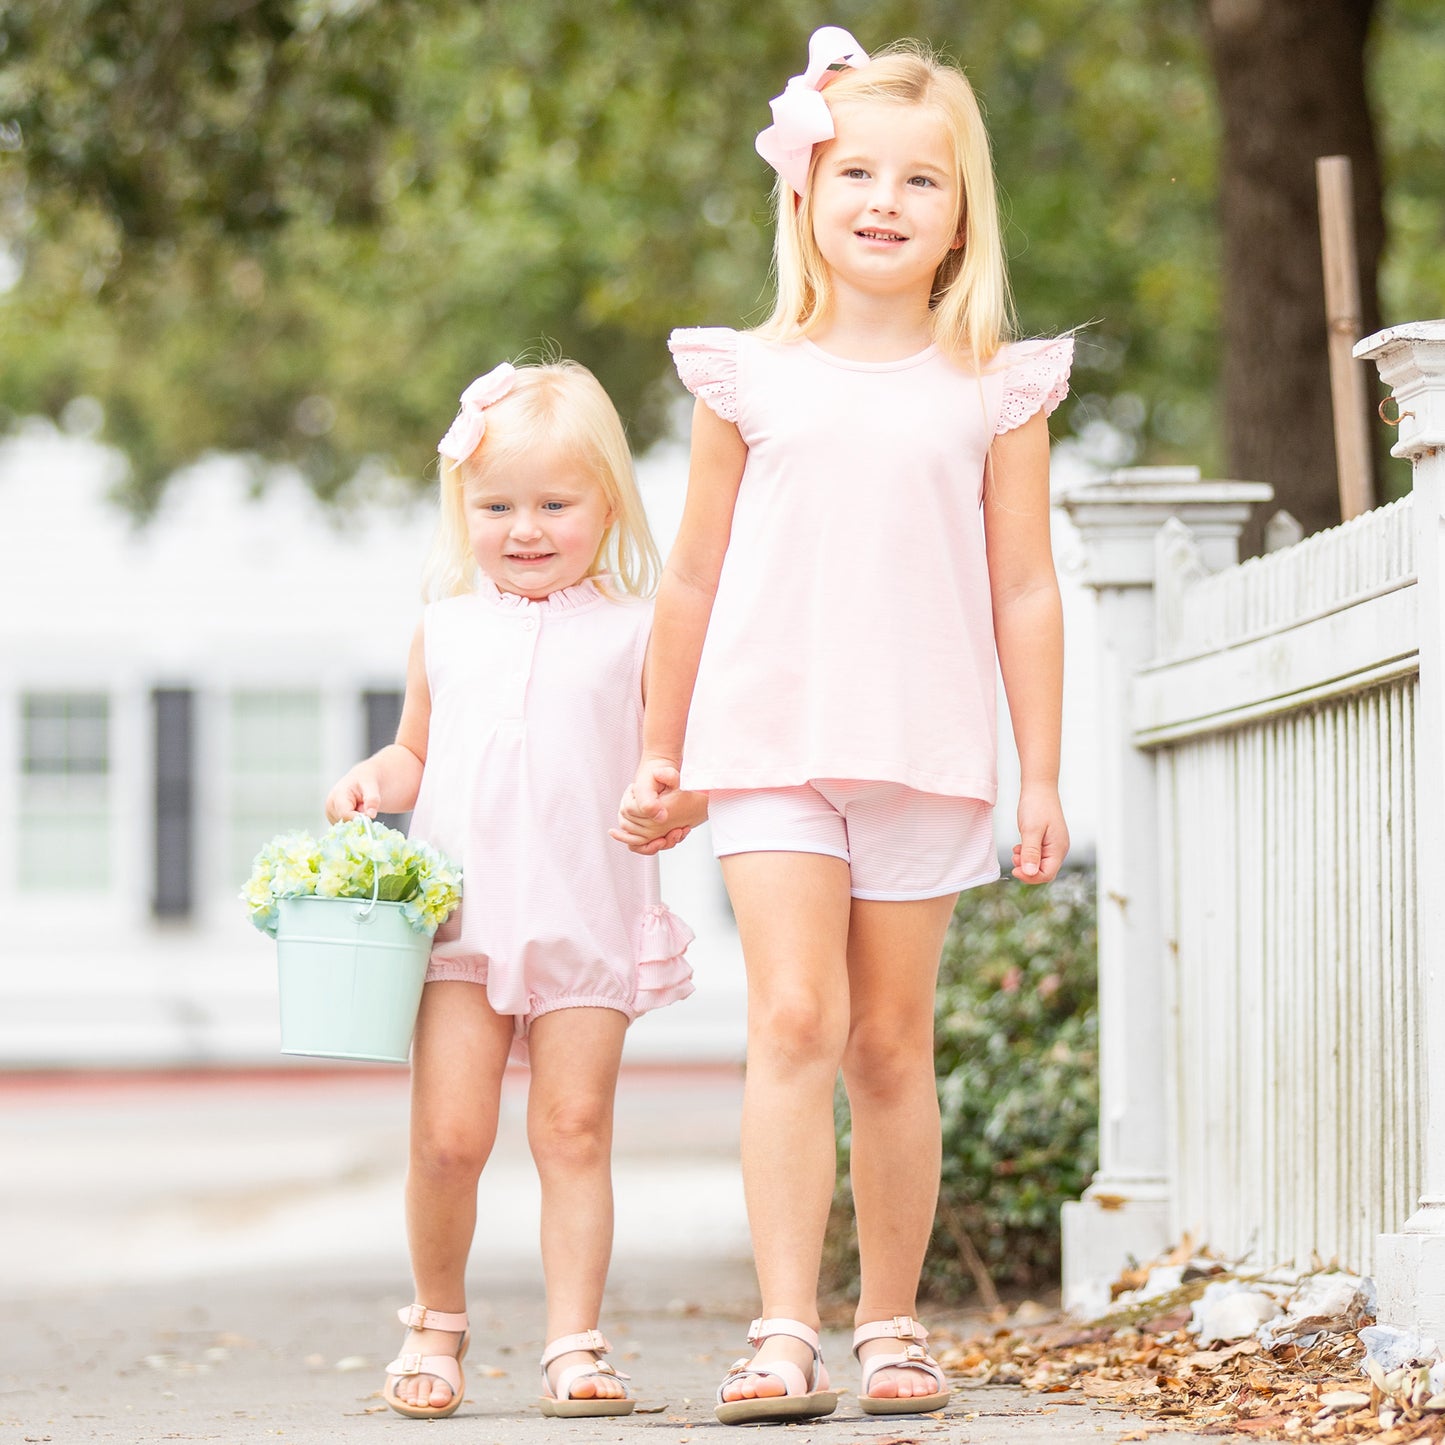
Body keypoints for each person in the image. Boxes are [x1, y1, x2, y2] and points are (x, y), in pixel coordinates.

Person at [617, 25, 1073, 1426]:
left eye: (919, 180)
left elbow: (1023, 585)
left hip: (926, 751)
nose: (883, 198)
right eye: (854, 169)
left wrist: (1040, 771)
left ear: (959, 216)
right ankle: (780, 1331)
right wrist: (661, 746)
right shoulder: (743, 378)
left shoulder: (995, 385)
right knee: (793, 1019)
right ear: (804, 193)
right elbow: (688, 575)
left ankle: (891, 1326)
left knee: (887, 1043)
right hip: (765, 747)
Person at [326, 358, 704, 1420]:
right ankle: (434, 1322)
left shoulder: (638, 631)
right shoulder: (444, 626)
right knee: (447, 1137)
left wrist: (666, 797)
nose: (523, 527)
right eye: (495, 504)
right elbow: (414, 754)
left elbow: (681, 763)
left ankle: (573, 1340)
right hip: (461, 926)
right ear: (462, 506)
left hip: (586, 918)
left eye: (553, 502)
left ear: (607, 504)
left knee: (572, 1131)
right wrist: (370, 781)